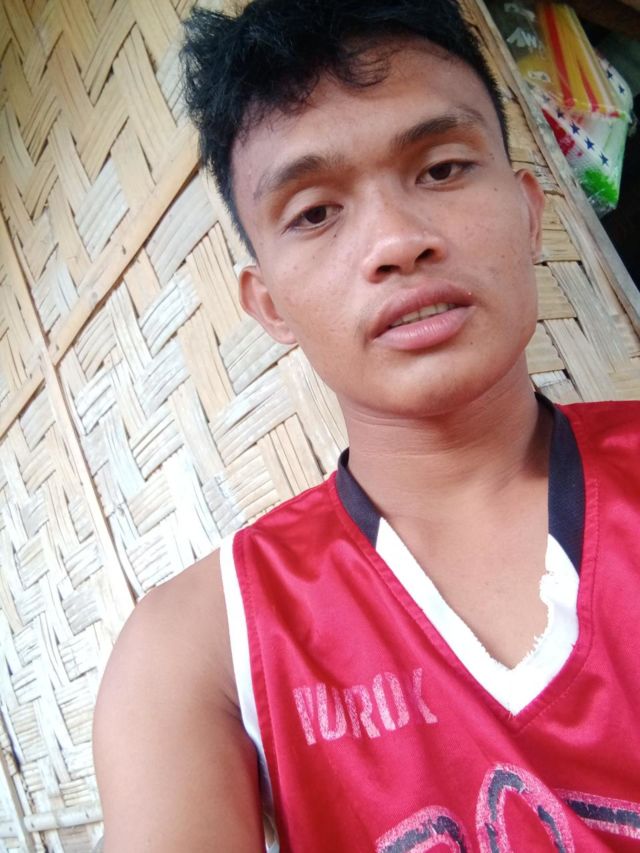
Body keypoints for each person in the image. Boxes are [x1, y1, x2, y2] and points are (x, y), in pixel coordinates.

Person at [92, 1, 640, 850]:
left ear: (530, 211)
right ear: (270, 306)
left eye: (443, 168)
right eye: (315, 212)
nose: (396, 241)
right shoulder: (198, 650)